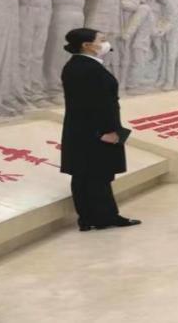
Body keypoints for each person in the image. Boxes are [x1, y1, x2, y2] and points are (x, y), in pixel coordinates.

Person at [60, 28, 141, 232]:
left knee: (89, 173)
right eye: (101, 40)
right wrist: (108, 130)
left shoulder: (82, 65)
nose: (106, 43)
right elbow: (95, 103)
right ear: (87, 45)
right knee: (96, 174)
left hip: (86, 128)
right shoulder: (85, 68)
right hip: (95, 130)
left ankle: (91, 218)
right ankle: (102, 217)